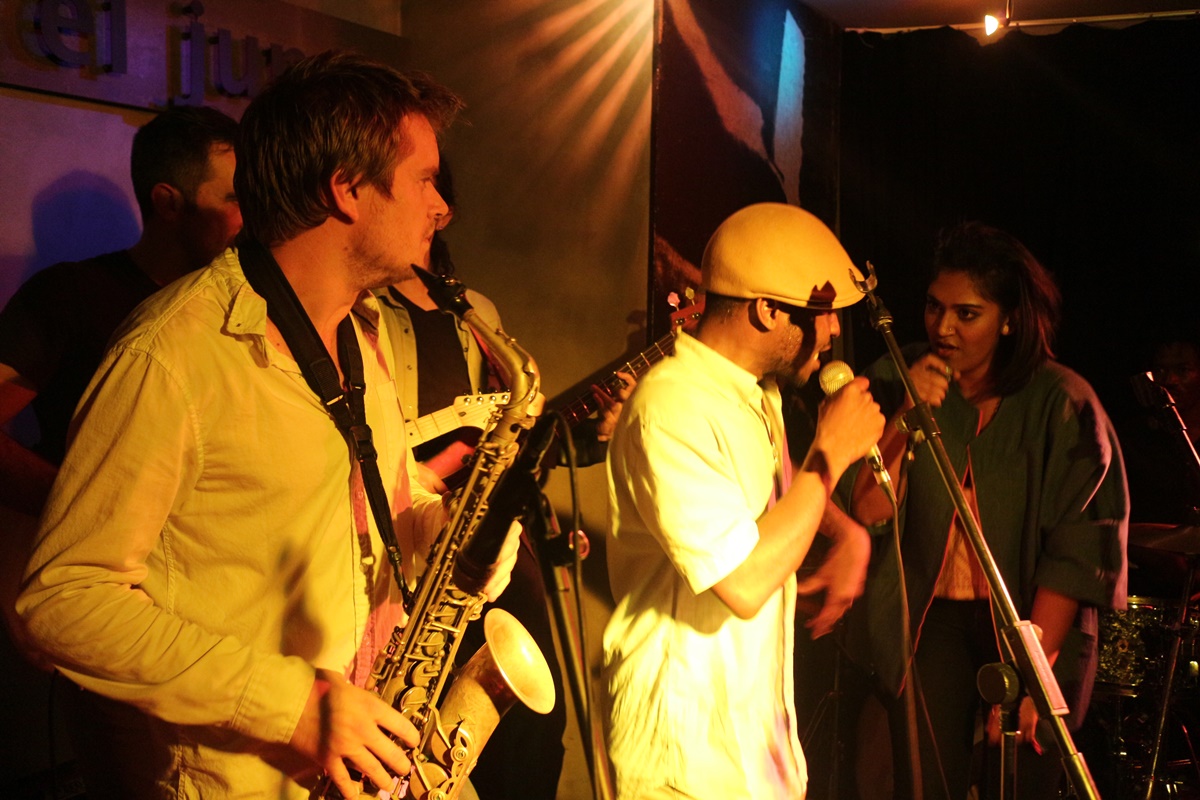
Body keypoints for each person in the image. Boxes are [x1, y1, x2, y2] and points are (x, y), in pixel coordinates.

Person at [16, 52, 524, 800]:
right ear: (347, 189)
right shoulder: (172, 356)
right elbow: (63, 601)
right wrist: (295, 705)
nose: (441, 207)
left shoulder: (362, 335)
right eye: (424, 180)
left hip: (361, 752)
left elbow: (373, 503)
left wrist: (443, 531)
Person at [603, 202, 885, 799]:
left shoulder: (755, 397)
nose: (834, 331)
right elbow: (744, 581)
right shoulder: (671, 405)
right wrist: (830, 454)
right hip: (684, 759)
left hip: (751, 754)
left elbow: (759, 497)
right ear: (767, 309)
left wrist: (843, 531)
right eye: (822, 313)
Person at [376, 162, 631, 800]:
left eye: (441, 194)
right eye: (425, 187)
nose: (440, 209)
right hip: (409, 545)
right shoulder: (361, 314)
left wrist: (589, 437)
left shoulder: (476, 313)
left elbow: (512, 442)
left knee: (534, 735)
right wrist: (433, 477)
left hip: (491, 540)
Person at [849, 221, 1128, 800]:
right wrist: (905, 418)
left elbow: (1077, 550)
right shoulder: (896, 375)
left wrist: (1036, 674)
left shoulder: (1062, 401)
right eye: (934, 306)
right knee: (925, 780)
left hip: (1033, 618)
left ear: (1009, 320)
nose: (942, 327)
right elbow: (868, 506)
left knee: (1022, 773)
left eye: (967, 314)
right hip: (932, 619)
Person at [0, 105, 241, 517]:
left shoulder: (241, 300)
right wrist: (78, 512)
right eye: (234, 198)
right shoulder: (69, 293)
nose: (252, 218)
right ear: (168, 203)